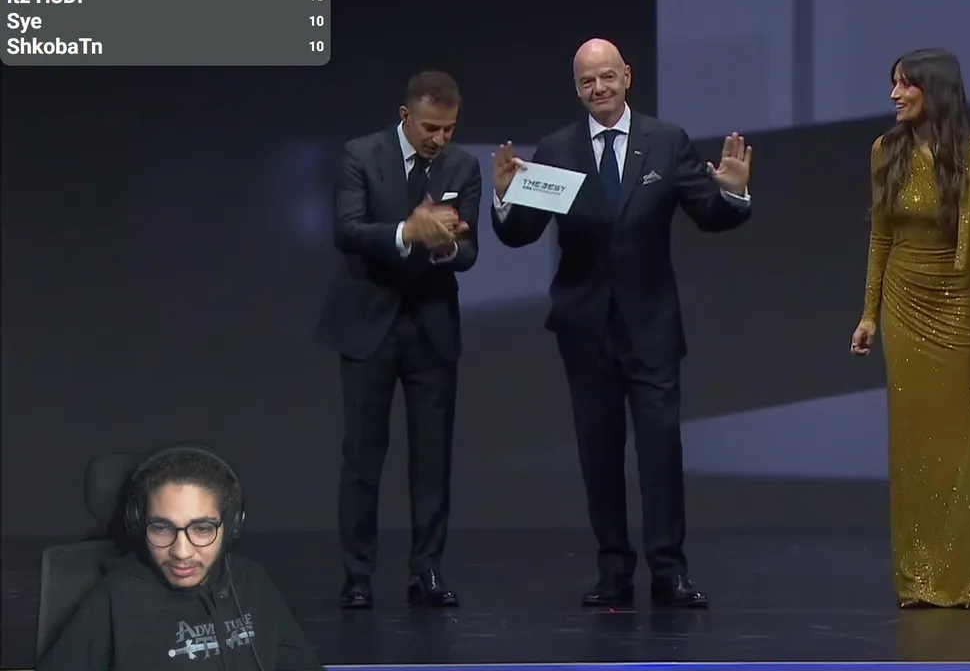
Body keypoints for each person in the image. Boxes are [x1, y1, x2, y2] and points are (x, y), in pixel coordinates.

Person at [490, 38, 753, 608]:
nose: (599, 89)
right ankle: (613, 570)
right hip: (586, 328)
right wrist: (505, 198)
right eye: (588, 81)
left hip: (651, 324)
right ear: (577, 88)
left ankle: (669, 571)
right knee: (599, 453)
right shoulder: (557, 149)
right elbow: (520, 233)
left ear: (627, 76)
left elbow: (709, 214)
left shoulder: (667, 141)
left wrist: (732, 193)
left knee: (660, 451)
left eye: (607, 76)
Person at [850, 48, 970, 609]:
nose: (895, 94)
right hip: (904, 307)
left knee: (958, 448)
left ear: (937, 91)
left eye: (906, 84)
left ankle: (959, 581)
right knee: (911, 448)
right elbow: (881, 236)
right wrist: (869, 313)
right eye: (894, 84)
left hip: (956, 311)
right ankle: (917, 580)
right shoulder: (884, 152)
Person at [315, 70, 481, 609]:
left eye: (449, 129)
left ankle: (426, 571)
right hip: (369, 325)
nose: (440, 139)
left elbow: (469, 251)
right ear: (406, 116)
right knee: (362, 458)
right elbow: (347, 230)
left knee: (432, 460)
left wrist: (446, 244)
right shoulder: (360, 155)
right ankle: (357, 575)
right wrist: (407, 232)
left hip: (432, 327)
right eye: (431, 128)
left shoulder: (463, 166)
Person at [36, 446, 322, 671]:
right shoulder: (116, 596)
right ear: (140, 525)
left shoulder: (252, 582)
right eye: (161, 528)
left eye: (202, 528)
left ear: (231, 526)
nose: (181, 552)